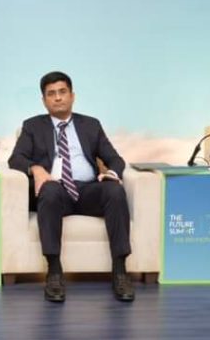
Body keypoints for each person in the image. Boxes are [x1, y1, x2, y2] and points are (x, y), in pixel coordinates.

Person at [9, 71, 133, 303]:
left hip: (88, 190)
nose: (58, 98)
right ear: (44, 100)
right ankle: (54, 272)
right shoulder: (33, 126)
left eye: (62, 92)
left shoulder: (91, 125)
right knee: (49, 189)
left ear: (72, 96)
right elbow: (16, 159)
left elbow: (115, 159)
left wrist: (111, 174)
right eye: (51, 94)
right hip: (56, 192)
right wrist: (36, 169)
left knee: (115, 191)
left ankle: (120, 272)